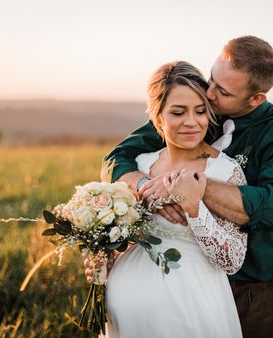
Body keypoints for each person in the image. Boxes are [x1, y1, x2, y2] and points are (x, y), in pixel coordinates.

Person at [101, 35, 273, 338]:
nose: (209, 93)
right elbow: (116, 159)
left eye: (222, 91)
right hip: (168, 284)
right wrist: (147, 185)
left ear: (256, 99)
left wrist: (189, 185)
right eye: (211, 79)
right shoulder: (195, 110)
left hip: (248, 287)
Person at [100, 61, 249, 337]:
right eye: (178, 112)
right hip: (127, 306)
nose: (192, 122)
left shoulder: (225, 170)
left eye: (200, 111)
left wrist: (194, 208)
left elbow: (232, 260)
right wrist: (103, 257)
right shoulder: (140, 166)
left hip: (194, 306)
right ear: (158, 119)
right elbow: (124, 237)